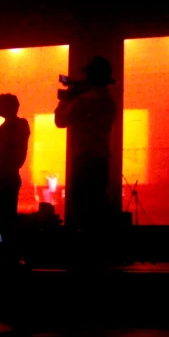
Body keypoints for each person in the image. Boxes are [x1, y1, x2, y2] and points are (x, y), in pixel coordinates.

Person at [54, 56, 118, 265]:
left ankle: (84, 261)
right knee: (96, 211)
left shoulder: (85, 100)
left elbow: (61, 121)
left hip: (84, 161)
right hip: (100, 161)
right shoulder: (108, 102)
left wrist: (66, 99)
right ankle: (98, 260)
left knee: (82, 211)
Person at [0, 93, 31, 265]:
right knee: (0, 214)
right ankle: (6, 250)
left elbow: (10, 143)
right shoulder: (3, 126)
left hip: (9, 175)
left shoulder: (20, 124)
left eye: (1, 107)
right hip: (0, 176)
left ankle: (11, 253)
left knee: (7, 214)